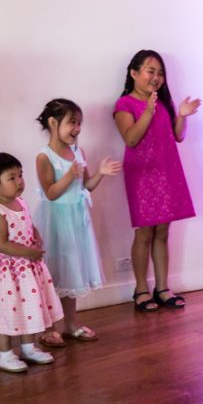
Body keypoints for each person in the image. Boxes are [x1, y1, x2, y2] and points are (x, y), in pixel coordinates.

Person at [113, 51, 200, 312]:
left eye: (160, 73)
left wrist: (182, 115)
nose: (156, 77)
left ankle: (162, 288)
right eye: (151, 71)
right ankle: (140, 289)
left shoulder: (162, 103)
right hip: (142, 173)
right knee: (144, 233)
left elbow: (178, 136)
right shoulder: (124, 104)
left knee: (163, 232)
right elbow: (131, 139)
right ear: (134, 73)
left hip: (167, 171)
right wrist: (148, 112)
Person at [32, 99, 120, 345]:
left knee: (72, 274)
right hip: (56, 221)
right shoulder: (44, 156)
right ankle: (48, 328)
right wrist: (69, 174)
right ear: (53, 122)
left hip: (77, 219)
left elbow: (86, 185)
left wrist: (100, 172)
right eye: (72, 122)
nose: (77, 128)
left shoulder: (78, 152)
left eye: (79, 123)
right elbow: (50, 192)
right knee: (52, 274)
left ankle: (70, 324)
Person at [0, 153, 62, 373]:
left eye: (20, 175)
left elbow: (28, 225)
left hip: (26, 271)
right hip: (7, 272)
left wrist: (36, 236)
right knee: (6, 312)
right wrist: (27, 252)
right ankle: (5, 354)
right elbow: (1, 244)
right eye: (11, 178)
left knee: (29, 308)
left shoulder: (20, 202)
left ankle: (28, 347)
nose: (19, 181)